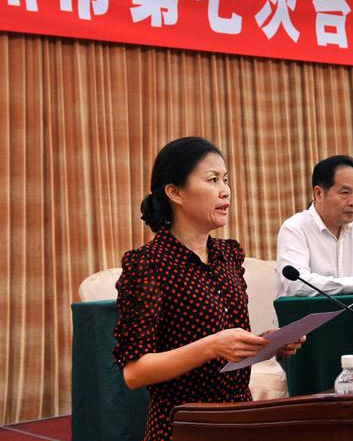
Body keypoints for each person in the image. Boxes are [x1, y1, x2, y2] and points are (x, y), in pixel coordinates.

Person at [113, 137, 304, 441]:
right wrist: (211, 346)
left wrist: (265, 344)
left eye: (225, 179)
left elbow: (225, 349)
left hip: (240, 420)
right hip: (184, 425)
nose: (225, 190)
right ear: (175, 192)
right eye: (213, 180)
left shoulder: (228, 255)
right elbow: (135, 372)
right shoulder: (149, 264)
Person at [275, 155, 353, 298]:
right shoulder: (295, 228)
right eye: (345, 193)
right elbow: (296, 284)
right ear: (319, 193)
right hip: (309, 312)